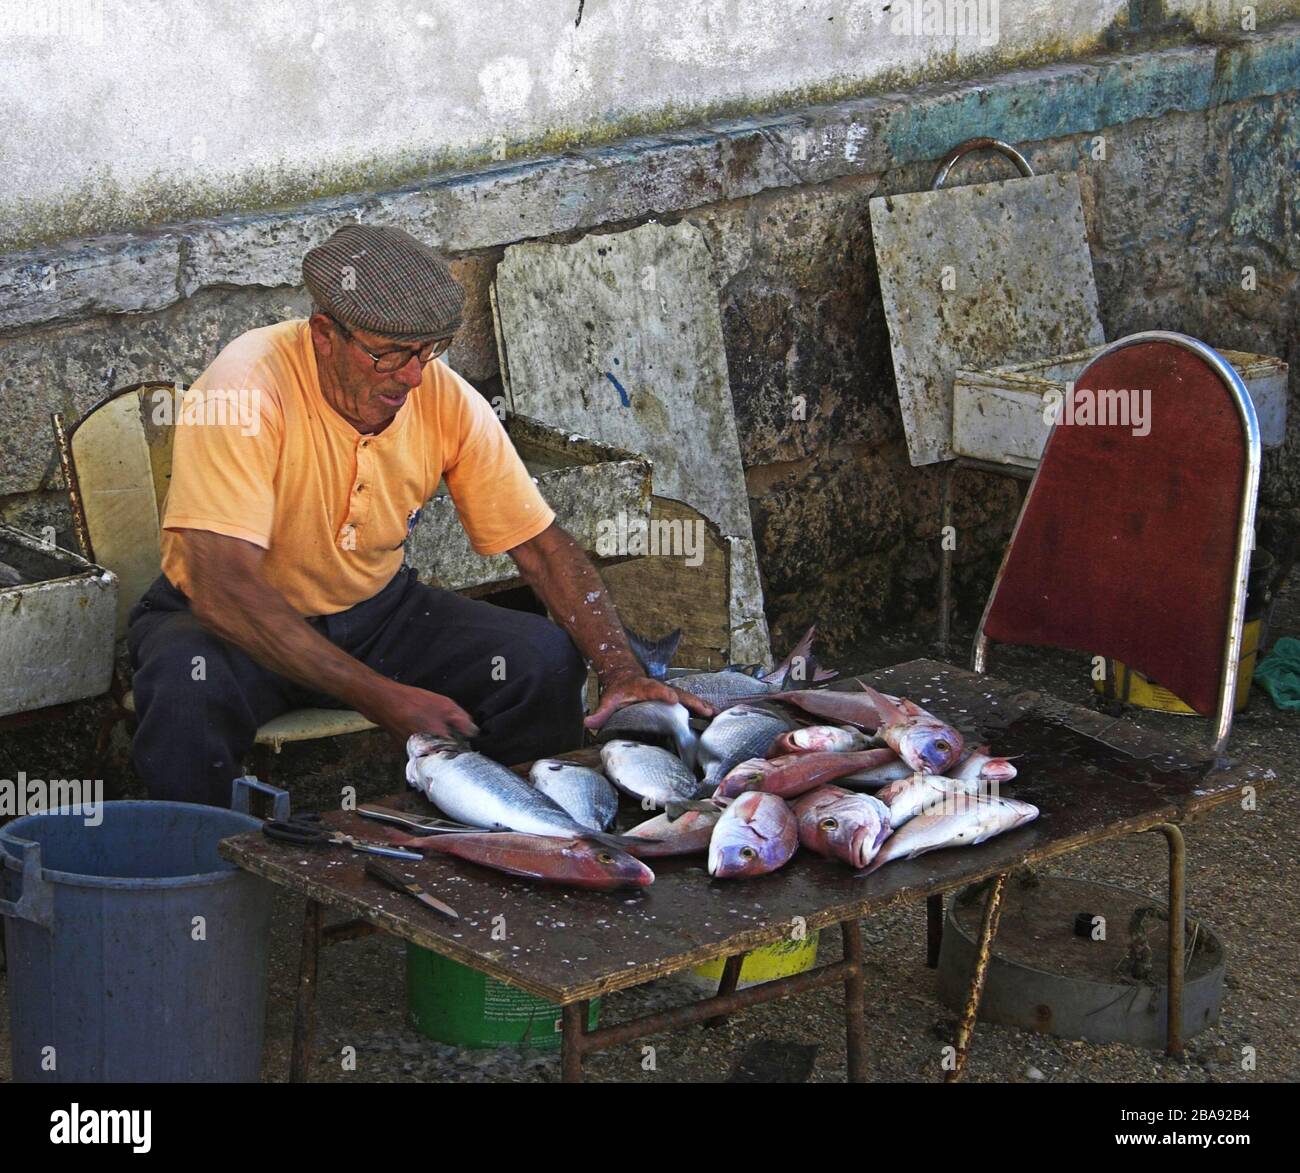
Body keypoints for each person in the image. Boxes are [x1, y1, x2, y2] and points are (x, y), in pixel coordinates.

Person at [126, 224, 711, 806]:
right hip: (233, 625)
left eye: (427, 352)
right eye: (387, 354)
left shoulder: (442, 396)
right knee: (186, 685)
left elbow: (539, 546)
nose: (411, 376)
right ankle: (203, 879)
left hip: (378, 617)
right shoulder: (246, 388)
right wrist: (379, 695)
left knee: (540, 660)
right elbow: (222, 589)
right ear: (324, 334)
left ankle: (526, 839)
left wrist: (621, 669)